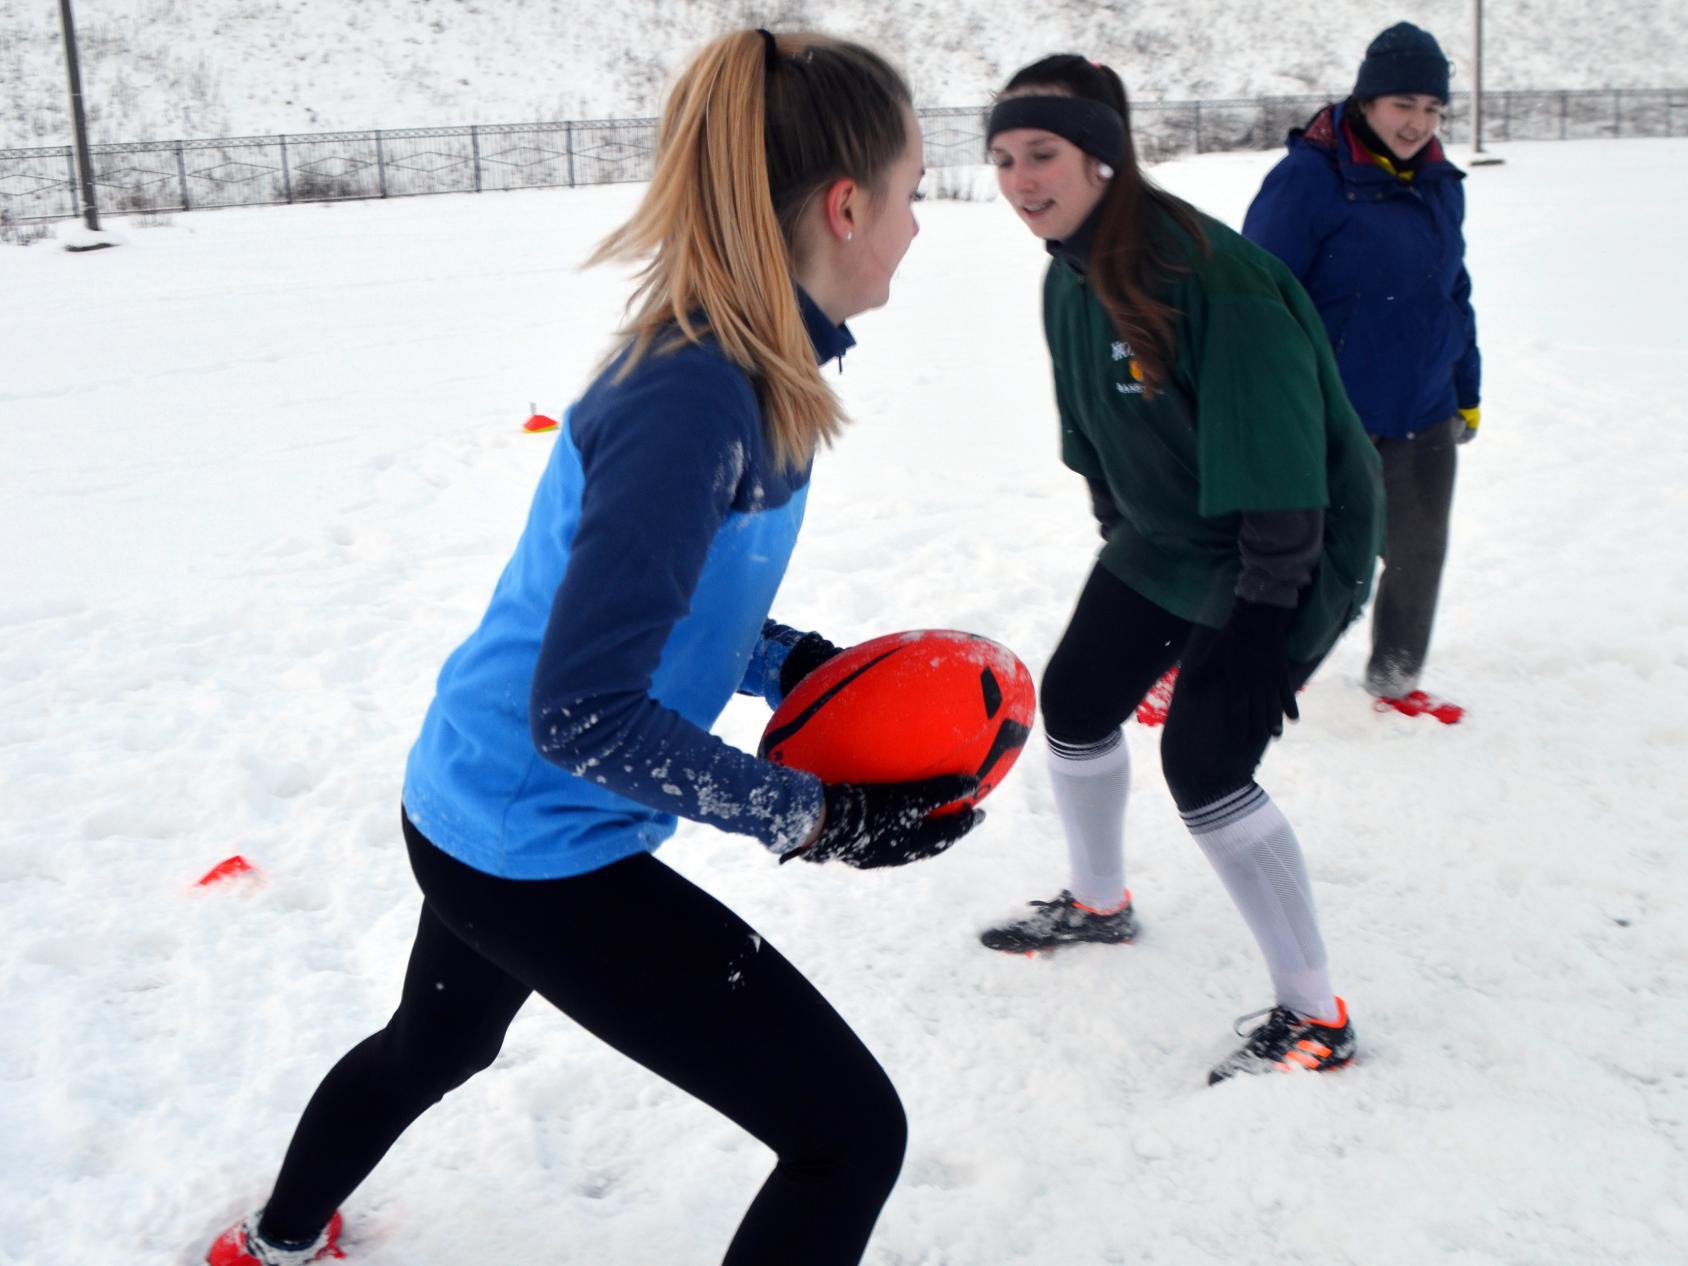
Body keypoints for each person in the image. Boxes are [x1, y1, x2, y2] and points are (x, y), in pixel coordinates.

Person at [205, 30, 979, 1266]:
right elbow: (583, 712)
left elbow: (657, 604)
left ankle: (273, 1240)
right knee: (847, 1134)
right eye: (910, 192)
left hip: (477, 800)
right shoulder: (695, 397)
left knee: (439, 1043)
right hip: (533, 842)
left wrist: (789, 666)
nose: (916, 225)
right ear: (844, 205)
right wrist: (813, 817)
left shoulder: (745, 369)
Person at [978, 54, 1383, 1085]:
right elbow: (1093, 432)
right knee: (1072, 704)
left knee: (1204, 764)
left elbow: (1286, 482)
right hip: (1168, 535)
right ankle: (1099, 902)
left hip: (1290, 540)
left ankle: (1312, 1017)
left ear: (1103, 159)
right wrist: (1121, 531)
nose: (1020, 179)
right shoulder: (1064, 273)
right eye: (1003, 158)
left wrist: (1253, 630)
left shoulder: (1213, 277)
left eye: (1042, 154)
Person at [1243, 22, 1480, 718]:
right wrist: (1264, 404)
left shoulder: (1441, 183)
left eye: (1433, 110)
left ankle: (1395, 681)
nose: (1418, 123)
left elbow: (1452, 292)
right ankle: (1248, 666)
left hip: (1425, 409)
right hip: (1329, 414)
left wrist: (1466, 389)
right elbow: (1258, 299)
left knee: (1417, 555)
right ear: (1368, 100)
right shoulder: (1308, 181)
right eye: (1404, 104)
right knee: (1298, 560)